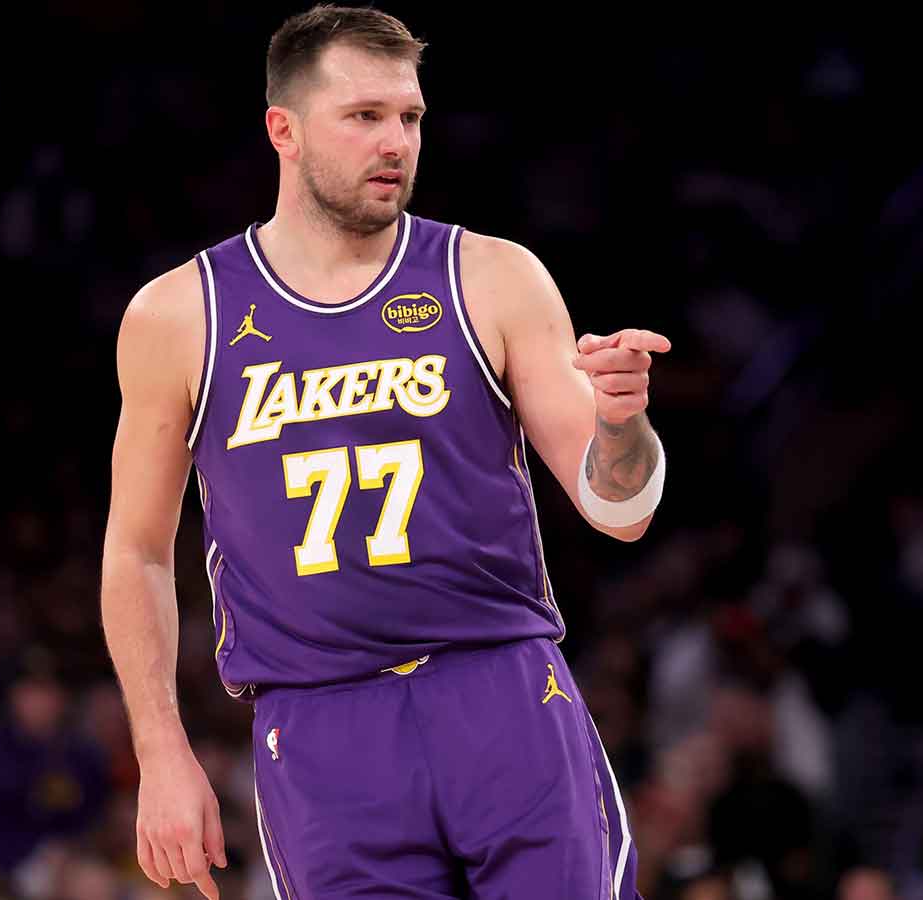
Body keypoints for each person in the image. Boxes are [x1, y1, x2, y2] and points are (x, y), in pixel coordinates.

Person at [98, 4, 670, 898]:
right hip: (320, 726)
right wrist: (160, 752)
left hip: (501, 689)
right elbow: (134, 553)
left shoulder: (490, 274)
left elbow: (620, 509)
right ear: (282, 130)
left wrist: (624, 423)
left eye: (408, 117)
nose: (395, 141)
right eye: (364, 117)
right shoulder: (180, 315)